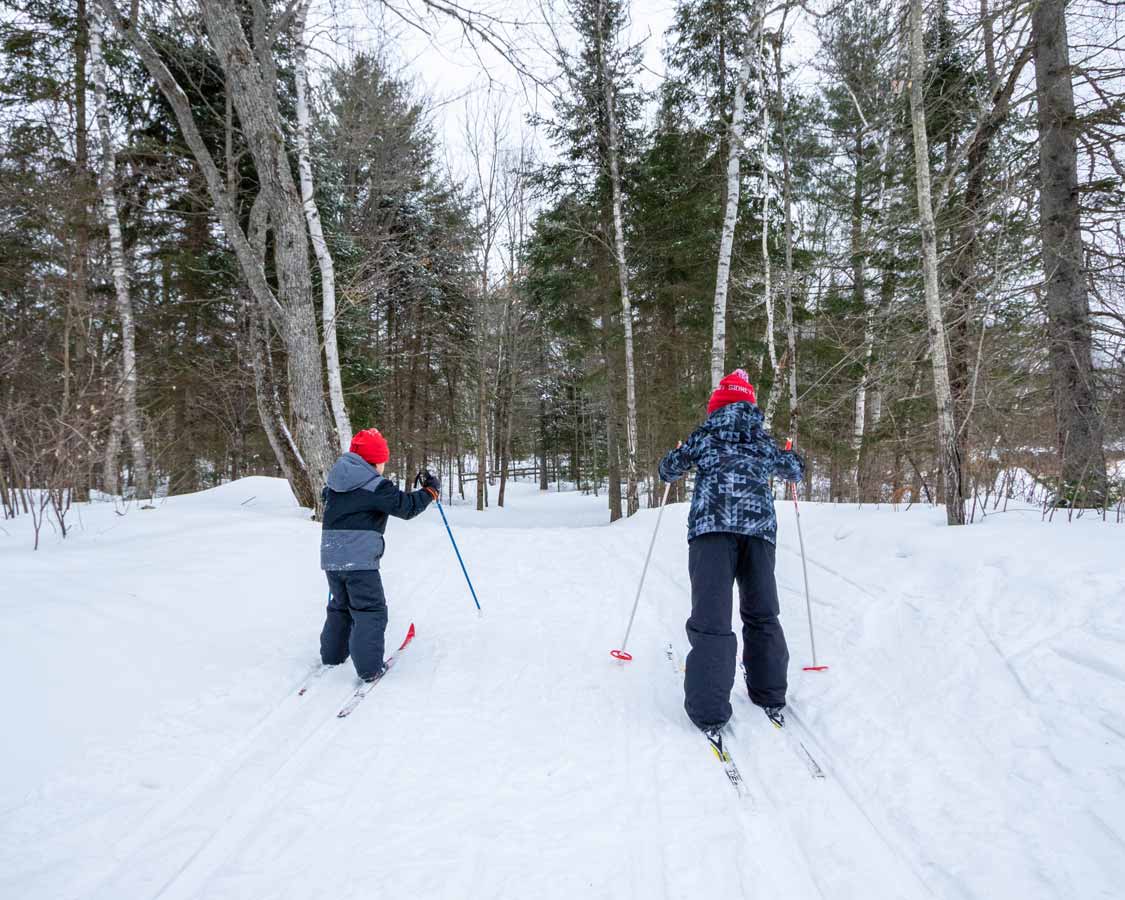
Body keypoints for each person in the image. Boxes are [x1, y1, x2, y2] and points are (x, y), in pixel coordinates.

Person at [658, 369, 805, 734]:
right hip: (759, 534)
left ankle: (709, 711)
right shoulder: (762, 440)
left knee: (712, 618)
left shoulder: (705, 436)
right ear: (750, 404)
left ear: (717, 405)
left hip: (711, 533)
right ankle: (769, 692)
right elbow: (795, 471)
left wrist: (675, 455)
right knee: (762, 612)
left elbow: (668, 471)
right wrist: (790, 457)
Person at [319, 427, 441, 681]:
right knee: (370, 610)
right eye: (383, 459)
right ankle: (369, 669)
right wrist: (430, 491)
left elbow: (328, 498)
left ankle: (332, 655)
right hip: (360, 561)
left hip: (331, 556)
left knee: (340, 606)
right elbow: (406, 507)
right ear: (375, 460)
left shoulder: (334, 481)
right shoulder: (375, 485)